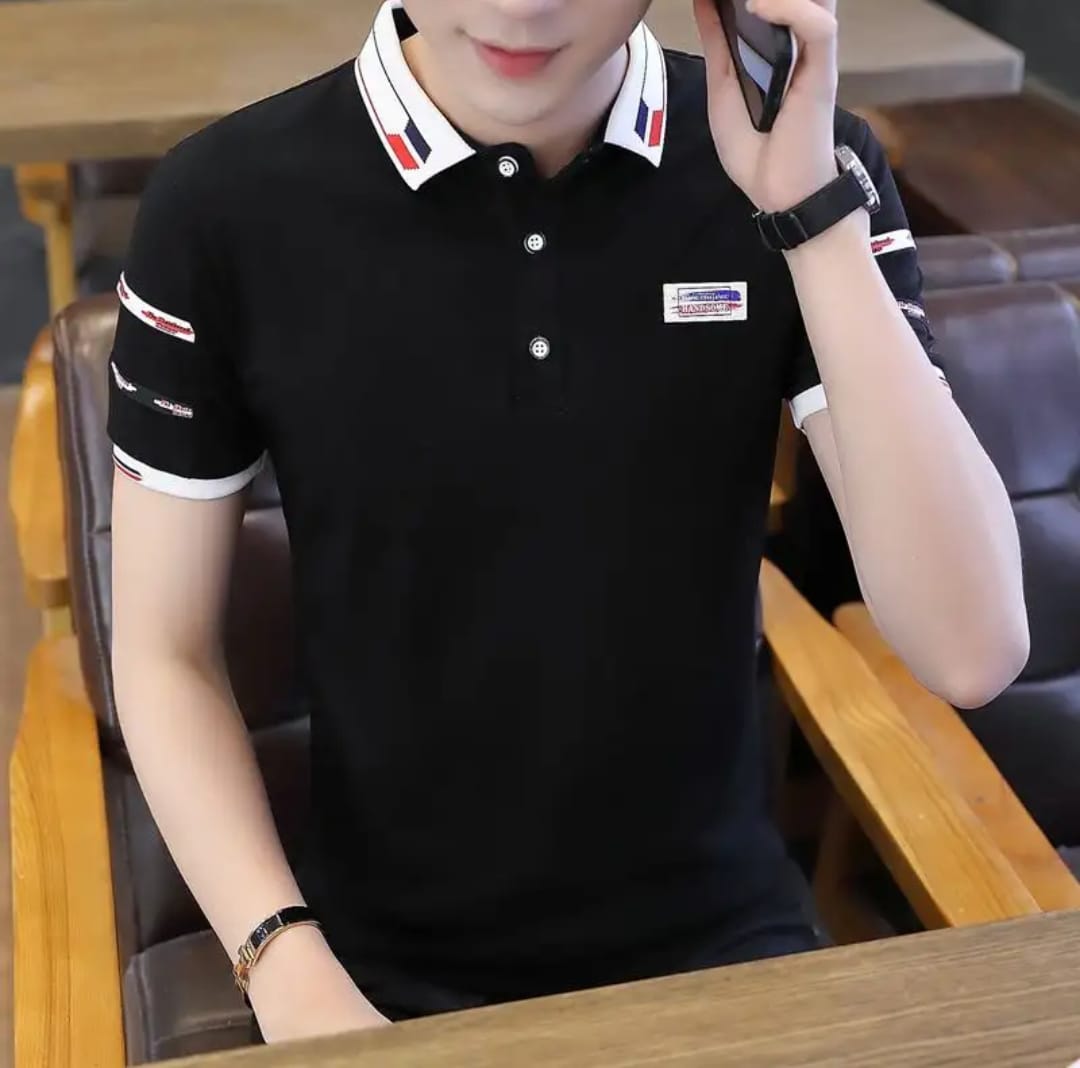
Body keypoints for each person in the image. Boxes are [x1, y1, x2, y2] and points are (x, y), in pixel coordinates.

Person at [107, 0, 1029, 1045]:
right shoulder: (222, 204)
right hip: (378, 968)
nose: (522, 7)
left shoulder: (808, 164)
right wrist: (285, 964)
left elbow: (970, 650)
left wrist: (809, 219)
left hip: (725, 947)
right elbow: (163, 653)